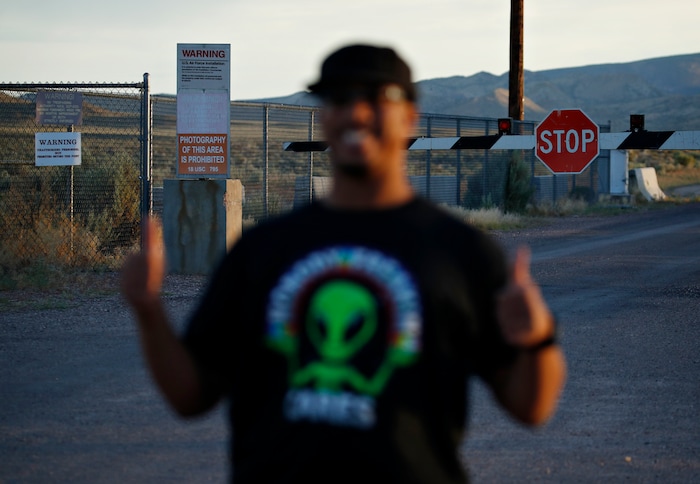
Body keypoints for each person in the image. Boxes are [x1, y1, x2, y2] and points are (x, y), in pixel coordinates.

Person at [121, 43, 566, 483]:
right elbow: (190, 396)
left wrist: (538, 339)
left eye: (377, 97)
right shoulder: (263, 250)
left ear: (410, 115)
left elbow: (531, 407)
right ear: (323, 117)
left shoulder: (459, 252)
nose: (356, 113)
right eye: (339, 98)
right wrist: (148, 310)